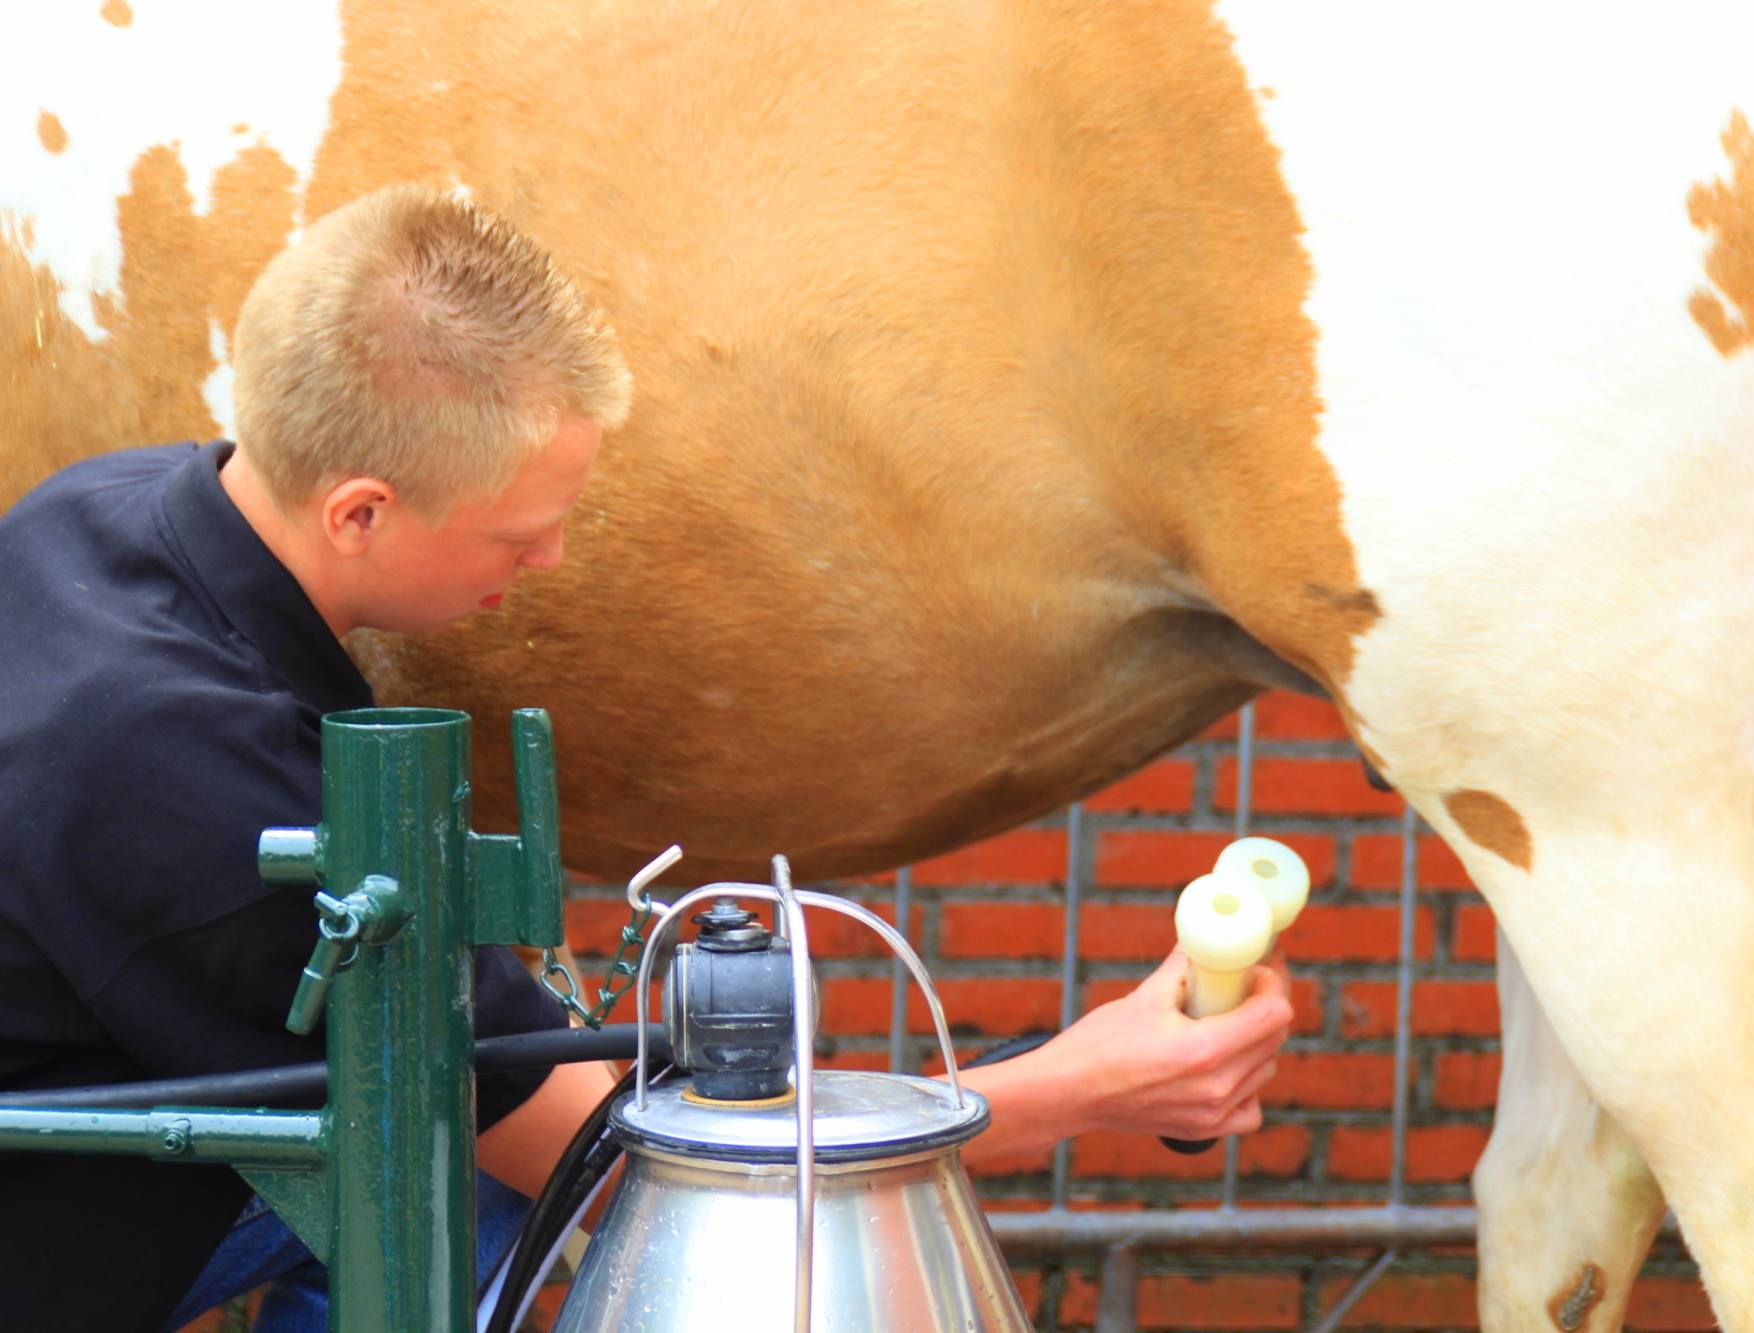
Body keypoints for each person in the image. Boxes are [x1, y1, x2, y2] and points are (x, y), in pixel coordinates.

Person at [0, 185, 1291, 1330]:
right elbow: (620, 1156)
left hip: (81, 1102)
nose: (548, 562)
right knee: (482, 1176)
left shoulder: (113, 513)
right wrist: (1080, 1086)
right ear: (362, 512)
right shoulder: (181, 777)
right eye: (521, 535)